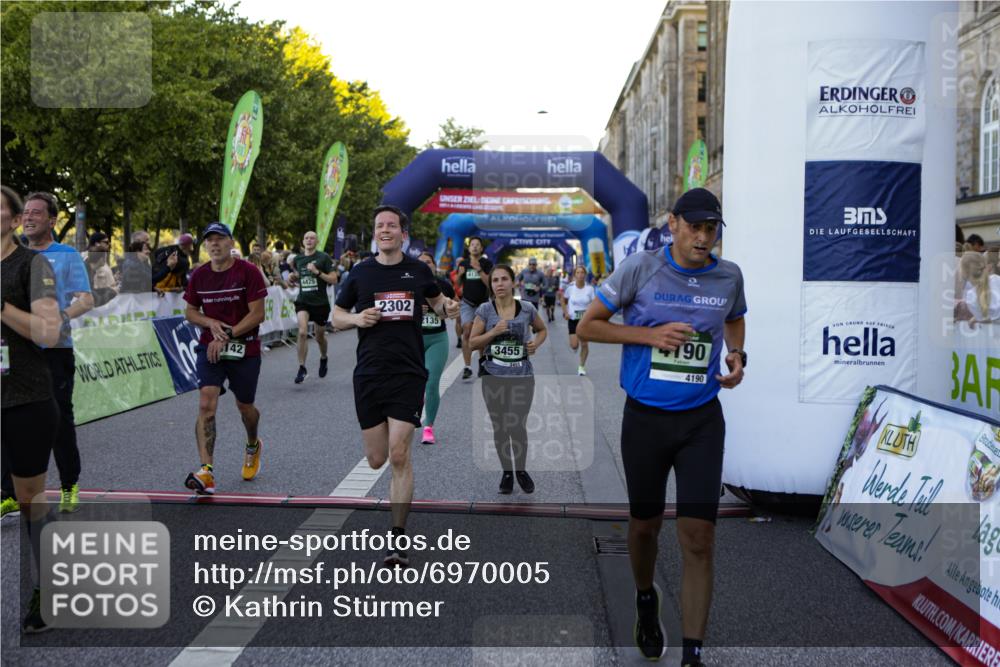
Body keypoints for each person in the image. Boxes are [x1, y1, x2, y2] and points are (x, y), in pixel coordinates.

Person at [577, 187, 747, 665]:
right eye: (694, 227)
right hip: (647, 419)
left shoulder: (729, 276)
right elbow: (588, 326)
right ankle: (645, 597)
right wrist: (648, 335)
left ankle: (693, 653)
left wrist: (737, 355)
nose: (703, 237)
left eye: (711, 229)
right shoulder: (641, 268)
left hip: (701, 420)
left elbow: (734, 320)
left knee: (699, 537)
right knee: (645, 527)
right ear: (672, 224)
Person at [333, 205, 459, 567]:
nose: (385, 230)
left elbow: (438, 304)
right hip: (370, 373)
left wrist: (448, 308)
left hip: (408, 372)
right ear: (375, 233)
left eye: (392, 225)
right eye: (380, 226)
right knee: (377, 460)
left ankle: (398, 537)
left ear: (403, 234)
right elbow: (336, 316)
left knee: (400, 453)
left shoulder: (418, 270)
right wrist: (357, 318)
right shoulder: (360, 273)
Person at [0, 185, 62, 631]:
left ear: (15, 219)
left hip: (24, 396)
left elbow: (48, 332)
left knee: (29, 500)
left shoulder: (32, 265)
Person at [182, 222, 268, 495]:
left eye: (220, 239)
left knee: (245, 407)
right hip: (211, 348)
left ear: (231, 242)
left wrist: (227, 335)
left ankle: (253, 444)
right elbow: (190, 312)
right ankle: (206, 471)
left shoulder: (248, 271)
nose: (214, 244)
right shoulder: (200, 275)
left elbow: (258, 314)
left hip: (244, 347)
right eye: (209, 240)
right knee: (206, 402)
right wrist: (210, 323)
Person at [22, 192, 94, 513]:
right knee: (10, 420)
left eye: (36, 213)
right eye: (26, 212)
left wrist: (61, 316)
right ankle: (9, 490)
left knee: (58, 421)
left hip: (54, 349)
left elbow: (86, 300)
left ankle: (69, 485)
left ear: (52, 221)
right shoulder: (11, 254)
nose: (28, 217)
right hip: (15, 351)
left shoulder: (66, 255)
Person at [469, 264, 547, 494]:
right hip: (493, 377)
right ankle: (507, 472)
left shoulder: (527, 308)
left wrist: (535, 344)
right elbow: (472, 342)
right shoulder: (485, 310)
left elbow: (542, 330)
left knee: (516, 425)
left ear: (513, 282)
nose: (500, 284)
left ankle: (520, 469)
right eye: (495, 280)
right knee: (500, 427)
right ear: (491, 285)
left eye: (504, 279)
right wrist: (493, 332)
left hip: (522, 376)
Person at [288, 230, 338, 383]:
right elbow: (301, 277)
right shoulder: (298, 259)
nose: (309, 240)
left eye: (312, 238)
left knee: (319, 337)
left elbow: (334, 279)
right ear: (303, 241)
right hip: (303, 301)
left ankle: (324, 357)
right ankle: (302, 367)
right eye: (306, 238)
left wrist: (317, 272)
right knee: (302, 332)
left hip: (320, 303)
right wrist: (293, 278)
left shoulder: (323, 257)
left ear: (317, 242)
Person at [416, 251, 455, 445]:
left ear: (434, 265)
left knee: (431, 383)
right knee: (412, 383)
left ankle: (428, 427)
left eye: (428, 262)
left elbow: (452, 307)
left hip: (437, 339)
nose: (425, 265)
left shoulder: (443, 285)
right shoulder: (408, 284)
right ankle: (414, 411)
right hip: (412, 340)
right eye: (421, 262)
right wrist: (415, 310)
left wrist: (446, 309)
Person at [457, 236, 493, 381]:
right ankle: (467, 367)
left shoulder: (486, 263)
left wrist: (479, 270)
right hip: (467, 303)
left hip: (483, 304)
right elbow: (458, 284)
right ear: (469, 248)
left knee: (480, 334)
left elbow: (489, 284)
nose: (475, 247)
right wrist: (459, 275)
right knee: (467, 331)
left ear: (481, 248)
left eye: (478, 245)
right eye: (472, 244)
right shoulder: (463, 263)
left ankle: (482, 363)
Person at [562, 265, 596, 376]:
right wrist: (566, 312)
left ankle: (581, 366)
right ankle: (575, 346)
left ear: (585, 275)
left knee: (584, 344)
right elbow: (563, 300)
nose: (580, 275)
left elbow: (594, 304)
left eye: (582, 273)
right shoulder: (570, 288)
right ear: (574, 275)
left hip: (585, 321)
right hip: (573, 319)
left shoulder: (590, 289)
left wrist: (592, 315)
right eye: (578, 272)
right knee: (574, 345)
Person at [958, 251, 1000, 323]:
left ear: (964, 273)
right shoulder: (996, 279)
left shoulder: (971, 296)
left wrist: (977, 319)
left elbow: (986, 319)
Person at [82, 231, 118, 307]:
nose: (109, 244)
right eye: (106, 242)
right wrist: (111, 291)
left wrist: (114, 279)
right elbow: (90, 291)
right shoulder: (85, 262)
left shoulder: (99, 259)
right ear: (97, 243)